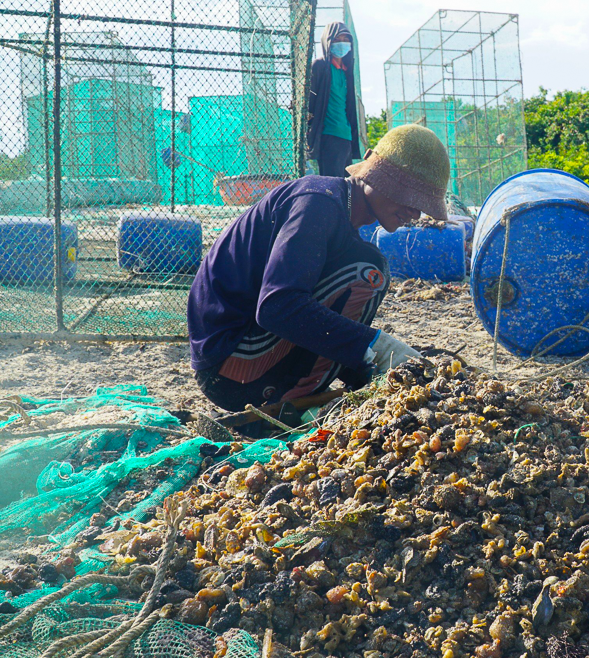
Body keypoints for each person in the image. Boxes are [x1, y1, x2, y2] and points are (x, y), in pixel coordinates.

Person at [187, 124, 450, 414]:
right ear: (377, 176)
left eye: (420, 205)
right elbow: (276, 307)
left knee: (364, 265)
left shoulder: (337, 209)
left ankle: (340, 380)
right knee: (368, 273)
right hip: (229, 365)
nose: (415, 213)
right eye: (409, 198)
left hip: (242, 353)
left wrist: (371, 366)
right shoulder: (318, 204)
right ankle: (290, 404)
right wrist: (377, 346)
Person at [307, 22, 362, 177]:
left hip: (346, 137)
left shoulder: (346, 71)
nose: (342, 43)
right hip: (328, 135)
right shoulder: (320, 66)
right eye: (337, 40)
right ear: (328, 42)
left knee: (347, 185)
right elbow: (310, 102)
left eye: (345, 39)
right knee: (331, 183)